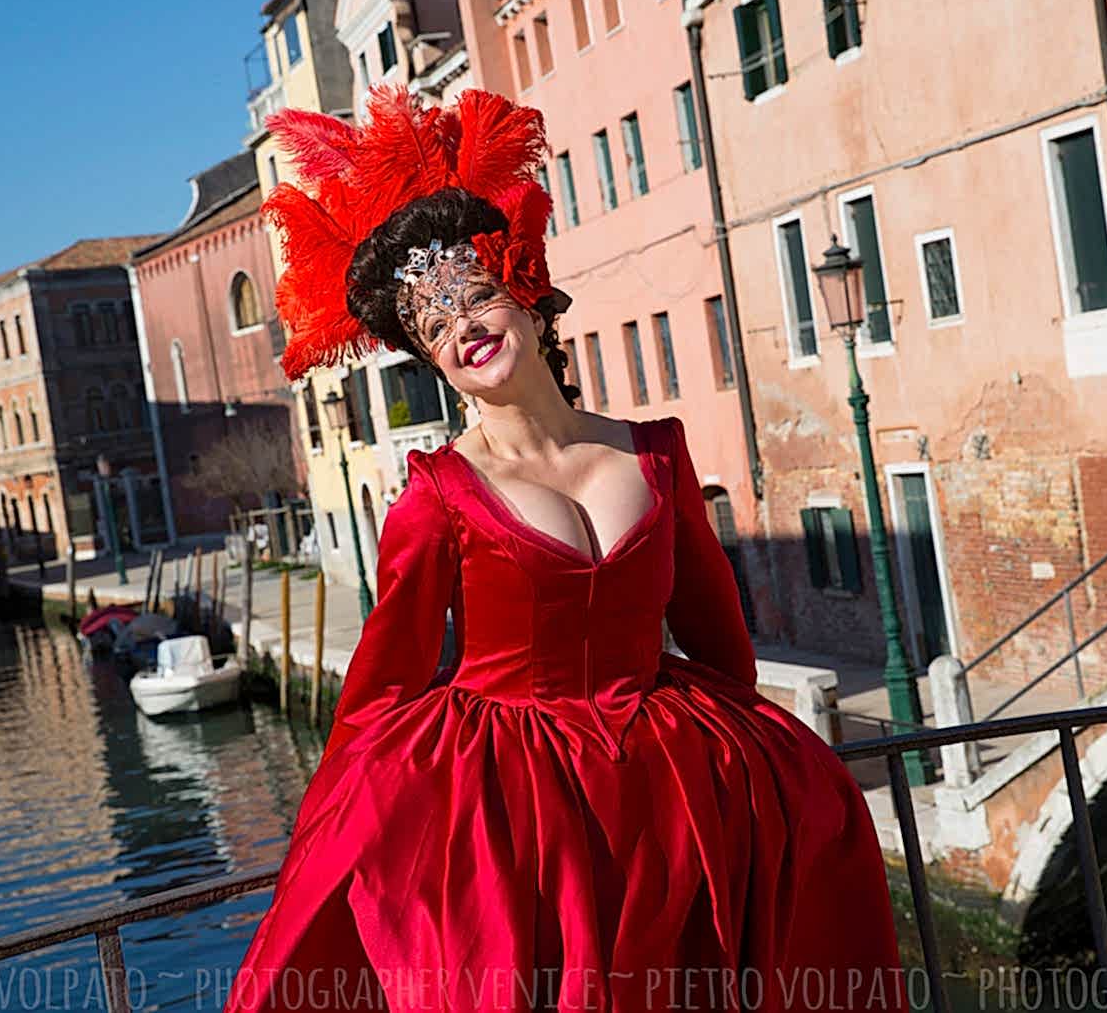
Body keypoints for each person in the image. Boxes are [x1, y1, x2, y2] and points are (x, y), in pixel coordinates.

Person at [226, 87, 903, 1012]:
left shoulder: (658, 451)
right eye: (434, 327)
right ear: (431, 362)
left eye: (474, 297)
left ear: (528, 297)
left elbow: (721, 643)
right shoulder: (436, 497)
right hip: (523, 823)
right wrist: (327, 840)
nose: (462, 327)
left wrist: (748, 793)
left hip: (670, 795)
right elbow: (382, 689)